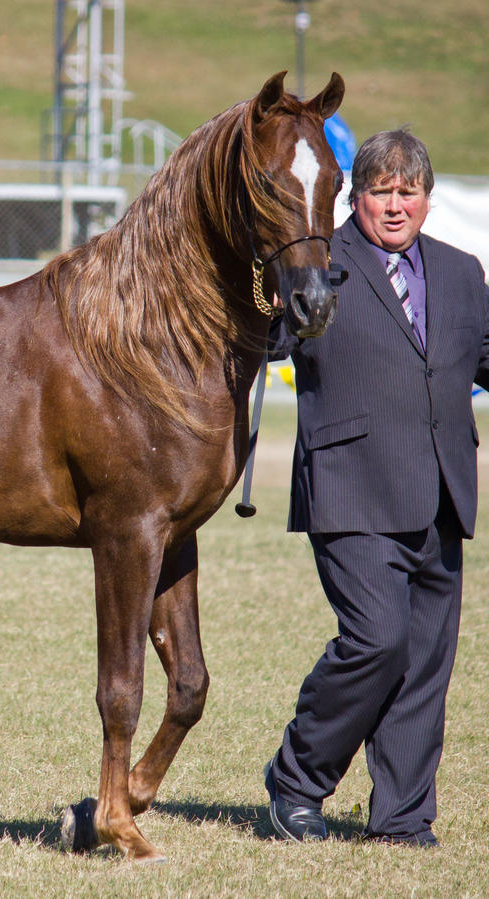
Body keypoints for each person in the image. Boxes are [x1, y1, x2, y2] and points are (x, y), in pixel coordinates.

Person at [263, 129, 489, 847]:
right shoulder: (318, 263)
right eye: (381, 191)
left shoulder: (462, 272)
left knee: (425, 664)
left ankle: (401, 817)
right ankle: (297, 781)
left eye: (408, 191)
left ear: (426, 197)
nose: (395, 205)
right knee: (377, 640)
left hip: (442, 491)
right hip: (351, 484)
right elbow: (266, 342)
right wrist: (270, 304)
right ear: (355, 196)